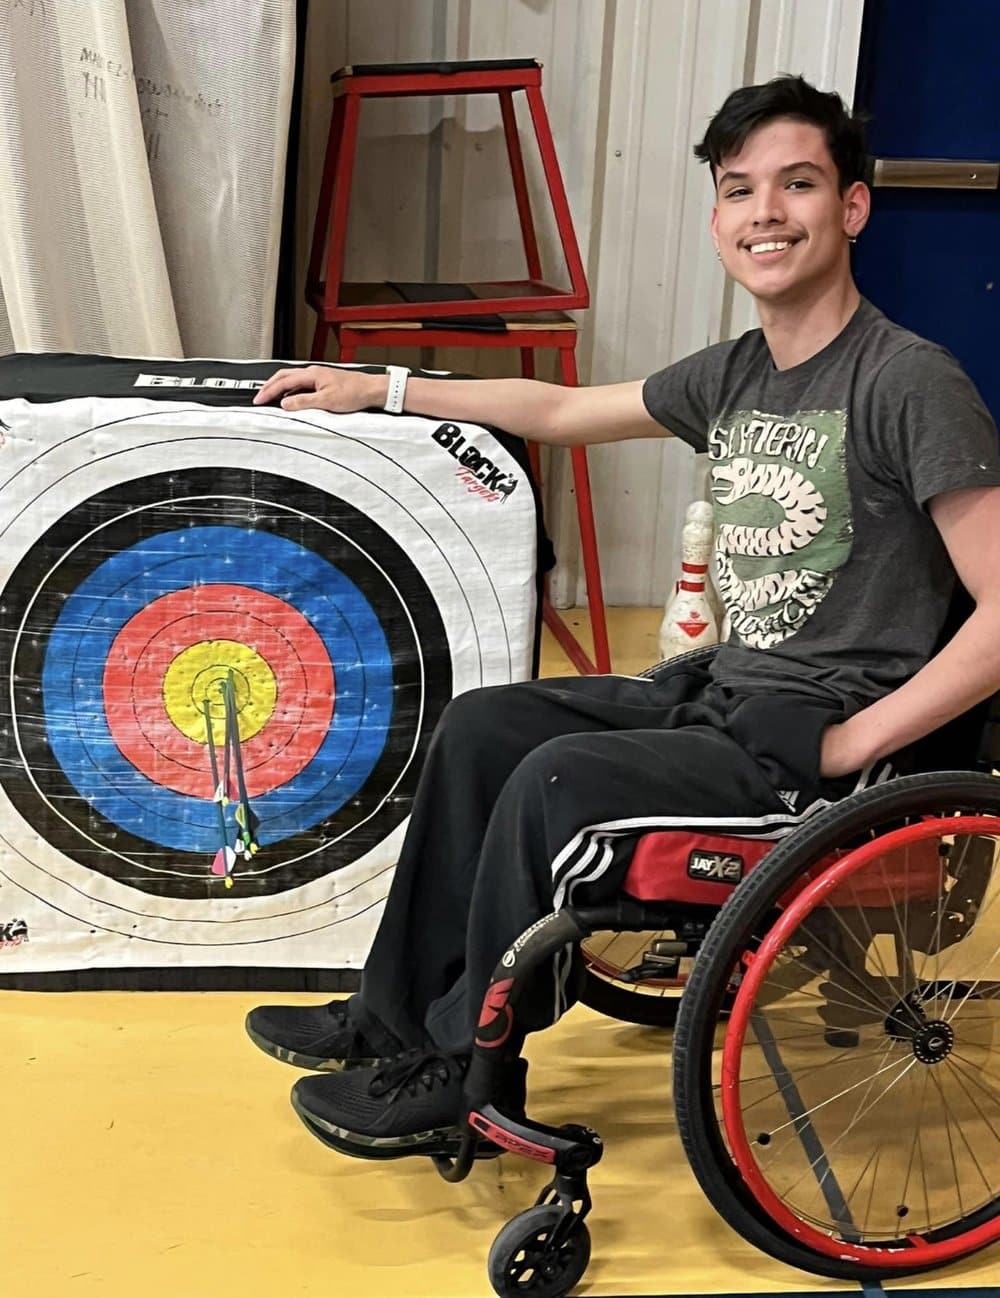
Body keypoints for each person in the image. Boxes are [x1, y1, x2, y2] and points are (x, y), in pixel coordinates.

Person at [245, 75, 1000, 1158]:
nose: (764, 213)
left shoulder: (907, 382)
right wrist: (386, 388)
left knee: (561, 779)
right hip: (725, 698)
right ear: (716, 221)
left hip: (818, 742)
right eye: (739, 191)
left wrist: (852, 740)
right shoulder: (740, 371)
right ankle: (392, 1017)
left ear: (852, 207)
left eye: (796, 183)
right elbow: (559, 409)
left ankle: (466, 1073)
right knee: (483, 726)